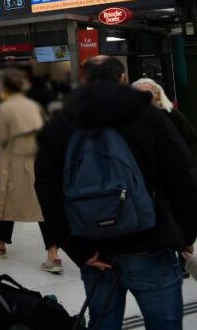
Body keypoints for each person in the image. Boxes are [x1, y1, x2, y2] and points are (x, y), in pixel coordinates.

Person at [35, 56, 197, 330]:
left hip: (93, 249)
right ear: (122, 78)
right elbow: (181, 178)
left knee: (103, 323)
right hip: (150, 243)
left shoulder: (59, 124)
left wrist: (77, 249)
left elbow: (46, 189)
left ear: (84, 80)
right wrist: (184, 235)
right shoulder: (150, 118)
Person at [0, 70, 61, 273]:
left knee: (6, 198)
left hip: (13, 160)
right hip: (37, 157)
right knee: (40, 204)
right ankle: (53, 254)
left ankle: (0, 244)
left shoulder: (5, 108)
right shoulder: (34, 106)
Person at [133, 77, 197, 161]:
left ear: (157, 95)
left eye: (147, 93)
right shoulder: (130, 120)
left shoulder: (173, 116)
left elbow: (192, 142)